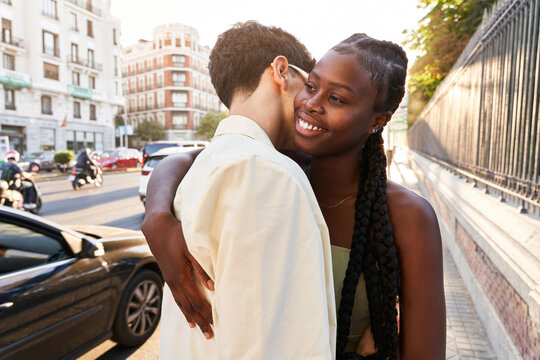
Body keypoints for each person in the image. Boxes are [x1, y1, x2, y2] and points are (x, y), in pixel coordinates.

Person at [143, 33, 446, 359]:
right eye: (312, 87)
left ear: (377, 121)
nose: (312, 104)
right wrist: (157, 216)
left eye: (337, 99)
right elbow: (194, 157)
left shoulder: (407, 215)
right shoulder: (275, 175)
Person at [154, 21, 337, 359]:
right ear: (281, 71)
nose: (312, 101)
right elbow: (267, 343)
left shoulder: (205, 167)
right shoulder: (264, 172)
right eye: (309, 84)